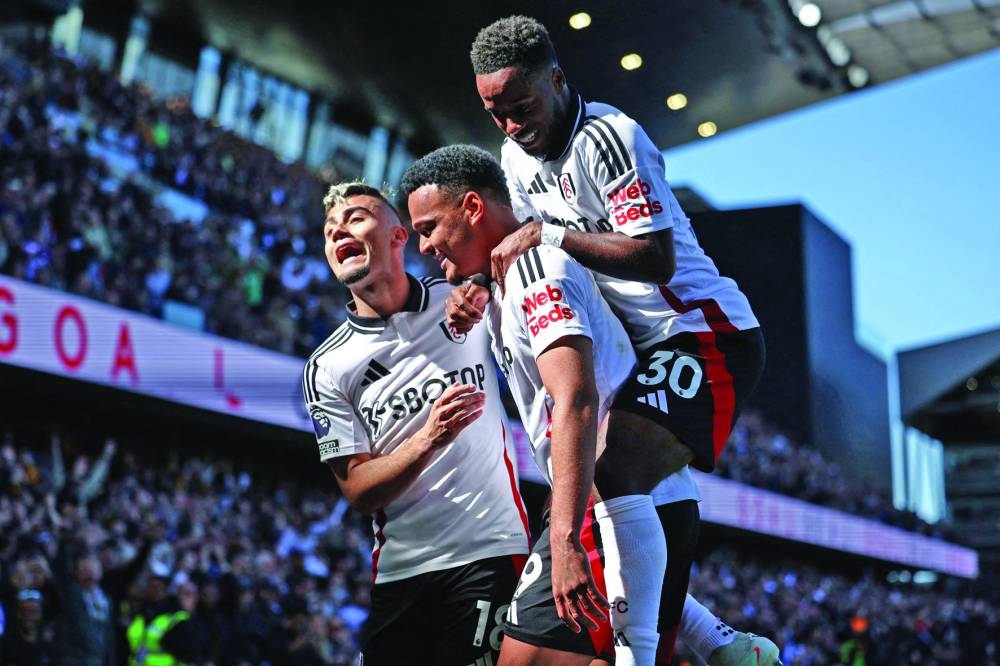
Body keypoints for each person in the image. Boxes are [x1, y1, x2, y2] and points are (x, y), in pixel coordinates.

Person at [458, 15, 779, 666]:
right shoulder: (515, 160)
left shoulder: (610, 137)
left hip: (702, 334)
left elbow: (655, 260)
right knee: (604, 492)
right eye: (497, 115)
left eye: (522, 108)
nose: (513, 127)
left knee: (612, 475)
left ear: (557, 79)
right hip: (636, 348)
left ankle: (649, 654)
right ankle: (719, 646)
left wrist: (549, 234)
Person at [403, 144, 705, 666]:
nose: (425, 246)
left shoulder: (536, 269)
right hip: (617, 502)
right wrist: (477, 284)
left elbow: (577, 398)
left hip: (616, 506)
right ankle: (723, 642)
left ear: (473, 208)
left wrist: (563, 537)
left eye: (429, 227)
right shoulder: (505, 276)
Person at [300, 182, 531, 665]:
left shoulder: (461, 297)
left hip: (488, 549)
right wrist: (428, 438)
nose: (340, 228)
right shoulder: (327, 366)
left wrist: (485, 285)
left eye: (357, 217)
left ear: (399, 235)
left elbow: (520, 242)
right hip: (400, 572)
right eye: (329, 230)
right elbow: (359, 491)